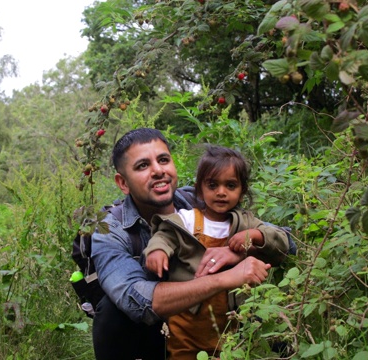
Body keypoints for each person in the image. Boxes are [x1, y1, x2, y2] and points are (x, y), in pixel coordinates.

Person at [90, 128, 275, 360]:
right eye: (142, 166)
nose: (158, 171)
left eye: (163, 160)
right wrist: (224, 278)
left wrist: (236, 252)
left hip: (222, 323)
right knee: (110, 312)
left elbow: (284, 240)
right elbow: (134, 300)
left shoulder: (205, 199)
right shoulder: (110, 231)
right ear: (123, 183)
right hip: (154, 335)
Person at [144, 145, 289, 359]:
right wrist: (157, 251)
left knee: (236, 352)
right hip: (187, 324)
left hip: (233, 322)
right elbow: (164, 235)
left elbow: (281, 240)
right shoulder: (187, 219)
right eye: (213, 185)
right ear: (200, 189)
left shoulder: (246, 221)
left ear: (242, 192)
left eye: (230, 185)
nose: (221, 192)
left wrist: (254, 236)